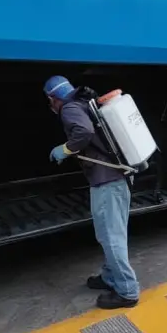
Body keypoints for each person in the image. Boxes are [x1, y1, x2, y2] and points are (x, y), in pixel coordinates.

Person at [43, 75, 140, 309]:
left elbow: (84, 132)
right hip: (116, 178)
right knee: (110, 233)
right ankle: (110, 277)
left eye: (49, 102)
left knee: (110, 237)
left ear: (52, 98)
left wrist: (65, 149)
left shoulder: (68, 108)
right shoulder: (84, 102)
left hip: (108, 181)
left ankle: (127, 291)